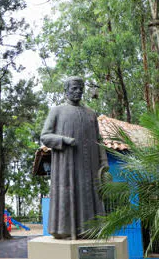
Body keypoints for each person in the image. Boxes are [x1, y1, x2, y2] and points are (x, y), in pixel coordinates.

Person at [40, 76, 108, 240]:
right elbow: (45, 136)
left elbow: (99, 140)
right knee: (68, 196)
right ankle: (64, 230)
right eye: (74, 88)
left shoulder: (91, 114)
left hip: (90, 167)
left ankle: (89, 230)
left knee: (89, 196)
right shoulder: (57, 111)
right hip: (67, 166)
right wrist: (63, 140)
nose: (78, 91)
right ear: (66, 91)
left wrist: (104, 162)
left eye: (80, 89)